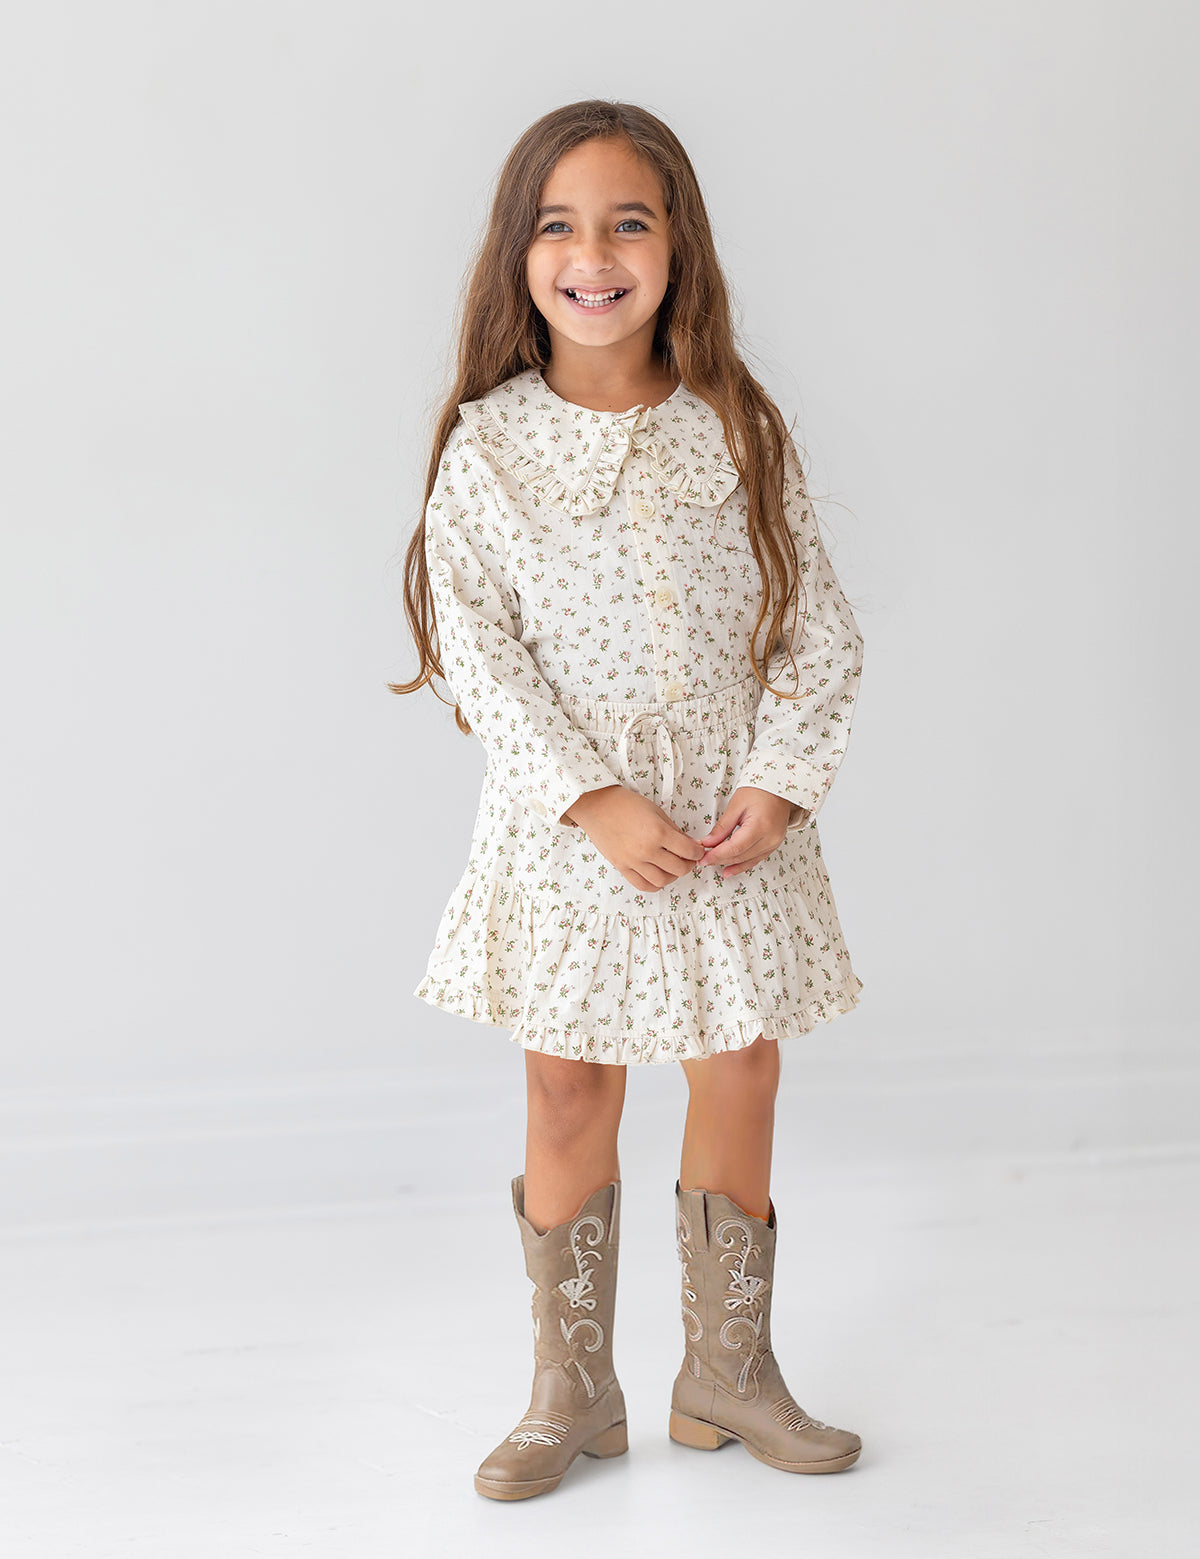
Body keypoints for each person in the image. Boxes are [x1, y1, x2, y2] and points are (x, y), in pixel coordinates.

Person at [390, 99, 866, 1501]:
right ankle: (571, 1389)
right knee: (565, 1081)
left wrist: (778, 786)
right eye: (559, 224)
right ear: (520, 254)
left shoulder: (738, 428)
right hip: (569, 834)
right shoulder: (489, 448)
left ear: (677, 249)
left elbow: (816, 628)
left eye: (627, 221)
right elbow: (478, 647)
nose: (592, 252)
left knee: (741, 1065)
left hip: (729, 830)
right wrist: (588, 798)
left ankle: (725, 1372)